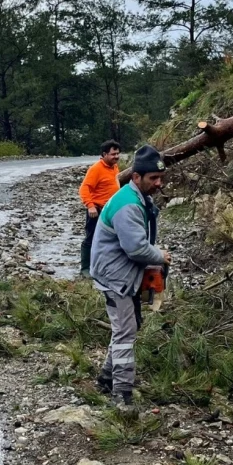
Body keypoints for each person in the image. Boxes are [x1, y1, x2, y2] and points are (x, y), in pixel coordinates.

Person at [89, 145, 171, 409]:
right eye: (153, 179)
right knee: (125, 333)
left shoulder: (135, 197)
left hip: (118, 271)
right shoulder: (128, 205)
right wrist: (160, 255)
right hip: (116, 276)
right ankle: (121, 394)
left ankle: (105, 378)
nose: (159, 183)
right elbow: (136, 248)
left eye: (160, 178)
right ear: (136, 177)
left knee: (127, 326)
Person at [78, 139, 122, 276]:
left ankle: (105, 267)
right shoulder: (96, 169)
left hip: (110, 210)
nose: (116, 157)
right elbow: (84, 188)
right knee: (91, 238)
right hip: (96, 210)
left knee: (110, 238)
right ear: (104, 154)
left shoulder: (114, 167)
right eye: (113, 154)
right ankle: (85, 269)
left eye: (117, 154)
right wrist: (90, 206)